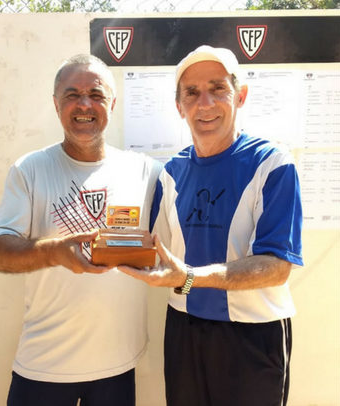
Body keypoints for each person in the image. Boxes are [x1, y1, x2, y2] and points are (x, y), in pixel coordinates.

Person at [118, 45, 303, 406]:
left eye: (218, 88)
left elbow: (277, 267)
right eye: (192, 92)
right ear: (179, 106)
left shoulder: (273, 163)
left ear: (240, 96)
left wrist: (189, 277)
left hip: (254, 332)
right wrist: (99, 246)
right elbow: (155, 252)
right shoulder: (172, 172)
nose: (205, 103)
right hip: (184, 326)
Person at [0, 54, 162, 406]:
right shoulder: (30, 170)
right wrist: (54, 252)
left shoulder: (146, 171)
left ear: (112, 104)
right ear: (56, 104)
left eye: (96, 95)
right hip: (44, 368)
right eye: (72, 95)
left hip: (117, 366)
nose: (84, 105)